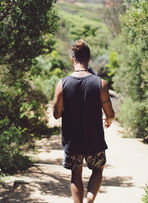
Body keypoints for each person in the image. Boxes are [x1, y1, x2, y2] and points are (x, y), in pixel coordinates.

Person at [52, 39, 115, 203]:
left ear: (73, 59)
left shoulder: (62, 84)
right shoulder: (100, 84)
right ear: (88, 59)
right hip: (94, 139)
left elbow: (56, 114)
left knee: (76, 174)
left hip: (72, 141)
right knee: (98, 169)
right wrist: (108, 120)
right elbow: (110, 113)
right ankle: (89, 199)